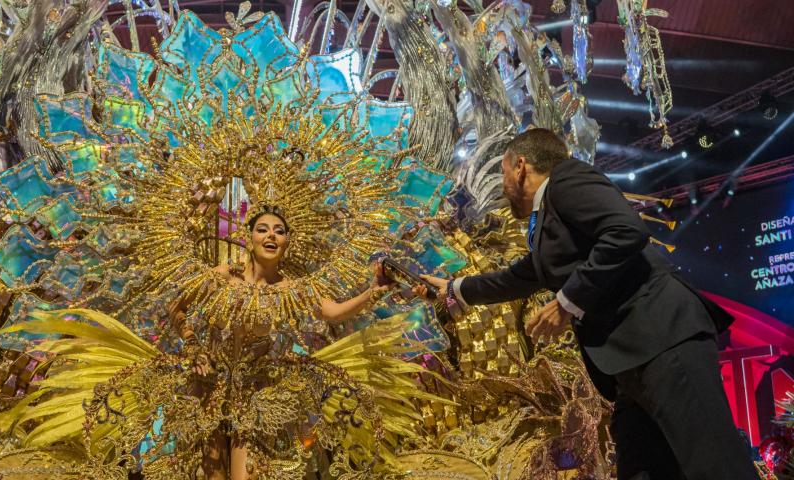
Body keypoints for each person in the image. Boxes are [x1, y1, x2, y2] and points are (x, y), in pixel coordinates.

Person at [413, 128, 757, 480]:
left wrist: (567, 301)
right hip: (629, 361)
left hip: (663, 340)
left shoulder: (567, 180)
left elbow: (626, 232)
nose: (502, 185)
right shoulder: (548, 216)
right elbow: (522, 276)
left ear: (520, 166)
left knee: (718, 466)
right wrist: (456, 288)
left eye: (502, 173)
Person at [174, 209, 394, 480]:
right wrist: (193, 346)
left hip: (255, 397)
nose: (271, 235)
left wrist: (372, 292)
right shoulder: (224, 275)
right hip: (209, 389)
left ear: (287, 243)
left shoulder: (291, 289)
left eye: (279, 231)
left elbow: (334, 312)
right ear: (249, 236)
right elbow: (178, 308)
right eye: (263, 229)